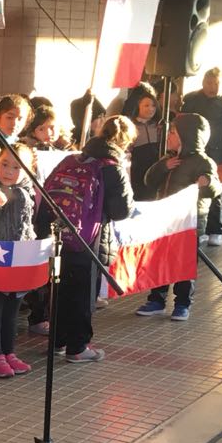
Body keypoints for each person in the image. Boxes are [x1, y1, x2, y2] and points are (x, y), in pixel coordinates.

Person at [41, 116, 135, 363]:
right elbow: (122, 211)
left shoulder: (73, 159)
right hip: (89, 239)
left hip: (60, 234)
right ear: (125, 142)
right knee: (84, 293)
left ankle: (58, 341)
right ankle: (78, 347)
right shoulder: (112, 167)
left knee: (60, 288)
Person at [135, 113, 221, 321]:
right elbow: (149, 180)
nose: (169, 136)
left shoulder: (203, 162)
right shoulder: (169, 159)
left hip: (188, 223)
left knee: (184, 264)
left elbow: (216, 188)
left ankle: (182, 303)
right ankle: (157, 299)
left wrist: (208, 182)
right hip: (165, 221)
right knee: (160, 261)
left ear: (187, 136)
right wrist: (163, 167)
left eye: (173, 132)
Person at [0, 143, 38, 377]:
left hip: (20, 256)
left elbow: (31, 222)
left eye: (16, 167)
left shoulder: (29, 190)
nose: (9, 171)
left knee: (13, 309)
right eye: (4, 164)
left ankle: (9, 352)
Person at [181, 68, 222, 246]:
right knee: (192, 192)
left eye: (216, 83)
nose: (212, 87)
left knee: (215, 194)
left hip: (218, 155)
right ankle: (196, 229)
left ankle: (215, 230)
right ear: (203, 82)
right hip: (193, 154)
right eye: (209, 83)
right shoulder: (191, 100)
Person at [122, 82, 162, 200]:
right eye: (146, 105)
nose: (151, 109)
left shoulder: (159, 126)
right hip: (137, 168)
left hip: (155, 167)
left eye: (153, 105)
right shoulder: (130, 126)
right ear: (138, 106)